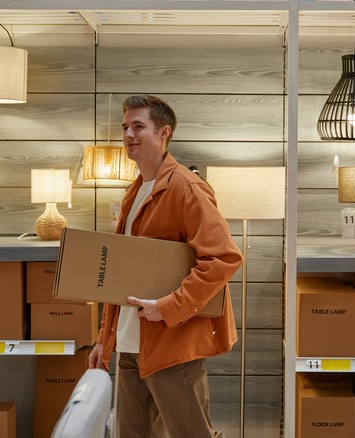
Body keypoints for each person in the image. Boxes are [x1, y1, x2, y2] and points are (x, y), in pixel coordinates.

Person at [89, 95, 242, 438]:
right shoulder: (134, 192)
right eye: (125, 127)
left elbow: (223, 258)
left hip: (172, 344)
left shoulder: (187, 188)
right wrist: (105, 339)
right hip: (130, 346)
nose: (128, 134)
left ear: (164, 133)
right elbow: (121, 276)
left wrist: (168, 307)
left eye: (138, 126)